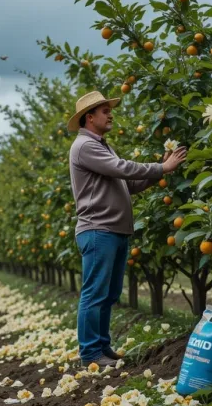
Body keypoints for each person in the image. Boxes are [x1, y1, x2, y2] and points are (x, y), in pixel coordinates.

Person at [67, 91, 187, 367]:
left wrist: (160, 172)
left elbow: (127, 184)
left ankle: (101, 347)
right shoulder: (85, 145)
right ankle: (90, 354)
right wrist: (161, 166)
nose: (110, 115)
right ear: (90, 117)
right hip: (99, 229)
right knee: (95, 293)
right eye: (105, 111)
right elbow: (122, 168)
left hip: (113, 230)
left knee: (108, 294)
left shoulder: (102, 146)